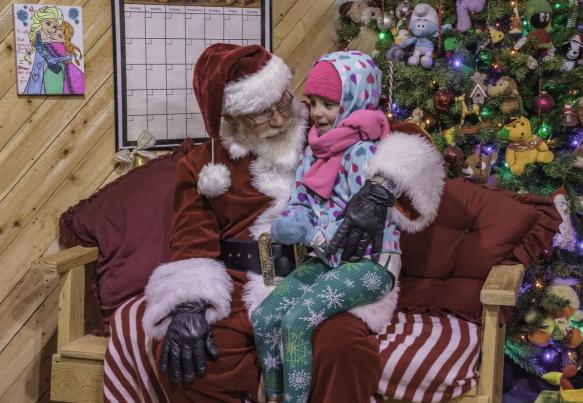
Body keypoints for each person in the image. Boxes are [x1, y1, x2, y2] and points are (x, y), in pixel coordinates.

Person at [103, 43, 445, 403]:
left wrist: (380, 188)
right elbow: (192, 238)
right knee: (193, 359)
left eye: (282, 101)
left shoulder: (325, 124)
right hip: (239, 284)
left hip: (326, 270)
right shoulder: (206, 165)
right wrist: (189, 302)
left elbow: (408, 139)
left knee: (341, 348)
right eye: (260, 114)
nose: (281, 119)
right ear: (231, 116)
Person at [252, 51, 401, 403]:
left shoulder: (367, 154)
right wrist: (292, 221)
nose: (318, 113)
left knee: (296, 322)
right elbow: (303, 199)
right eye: (313, 102)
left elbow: (356, 219)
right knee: (265, 316)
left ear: (354, 100)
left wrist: (314, 233)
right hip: (326, 260)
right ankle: (272, 395)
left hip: (368, 263)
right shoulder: (314, 151)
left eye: (329, 104)